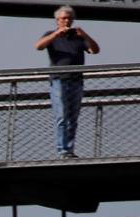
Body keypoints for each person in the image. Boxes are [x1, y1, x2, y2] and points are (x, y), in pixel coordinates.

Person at [36, 6, 101, 159]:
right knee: (62, 116)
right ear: (57, 20)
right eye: (64, 18)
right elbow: (39, 46)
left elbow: (95, 50)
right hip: (59, 79)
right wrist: (56, 33)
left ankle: (69, 150)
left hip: (76, 80)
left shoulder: (79, 38)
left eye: (69, 18)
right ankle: (62, 150)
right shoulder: (51, 35)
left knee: (72, 117)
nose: (67, 21)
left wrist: (85, 35)